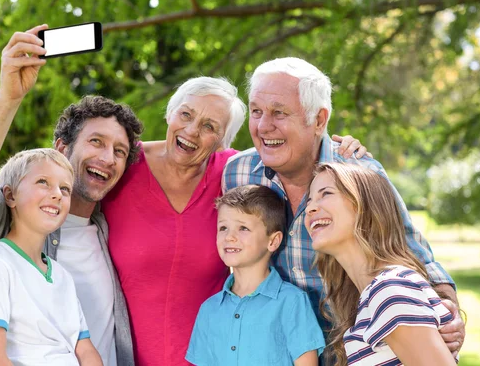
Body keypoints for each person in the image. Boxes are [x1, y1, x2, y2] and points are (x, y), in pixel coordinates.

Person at [102, 76, 367, 366]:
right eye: (186, 114)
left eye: (209, 127)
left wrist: (342, 151)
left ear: (222, 141)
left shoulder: (232, 173)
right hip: (125, 357)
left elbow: (295, 151)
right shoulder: (121, 164)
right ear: (170, 113)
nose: (191, 131)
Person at [222, 57, 465, 357]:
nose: (263, 126)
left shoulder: (357, 170)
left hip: (357, 348)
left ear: (319, 120)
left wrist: (445, 307)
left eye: (279, 113)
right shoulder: (236, 173)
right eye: (256, 111)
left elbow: (411, 251)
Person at [0, 24, 142, 366]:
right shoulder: (10, 227)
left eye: (120, 151)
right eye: (96, 142)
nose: (108, 158)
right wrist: (9, 97)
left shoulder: (111, 228)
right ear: (62, 149)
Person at [305, 163, 457, 365]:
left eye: (326, 194)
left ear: (364, 207)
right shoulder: (374, 294)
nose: (310, 208)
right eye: (309, 200)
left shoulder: (390, 289)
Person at [0, 148, 103, 366]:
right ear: (11, 196)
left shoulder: (62, 276)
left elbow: (85, 351)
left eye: (65, 188)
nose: (57, 193)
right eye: (43, 182)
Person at [186, 185, 325, 366]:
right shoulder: (209, 309)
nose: (229, 237)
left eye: (243, 228)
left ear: (273, 241)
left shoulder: (292, 301)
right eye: (223, 228)